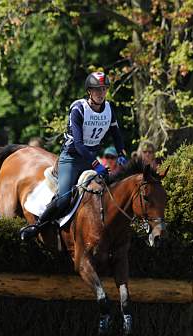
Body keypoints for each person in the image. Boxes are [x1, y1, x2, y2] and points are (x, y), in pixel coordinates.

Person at [20, 71, 128, 240]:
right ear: (89, 91)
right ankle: (37, 226)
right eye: (97, 89)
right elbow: (78, 144)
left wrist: (122, 154)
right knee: (64, 198)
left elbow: (117, 134)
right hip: (71, 158)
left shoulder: (109, 109)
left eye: (104, 89)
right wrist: (96, 164)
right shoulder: (78, 109)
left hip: (90, 158)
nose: (101, 93)